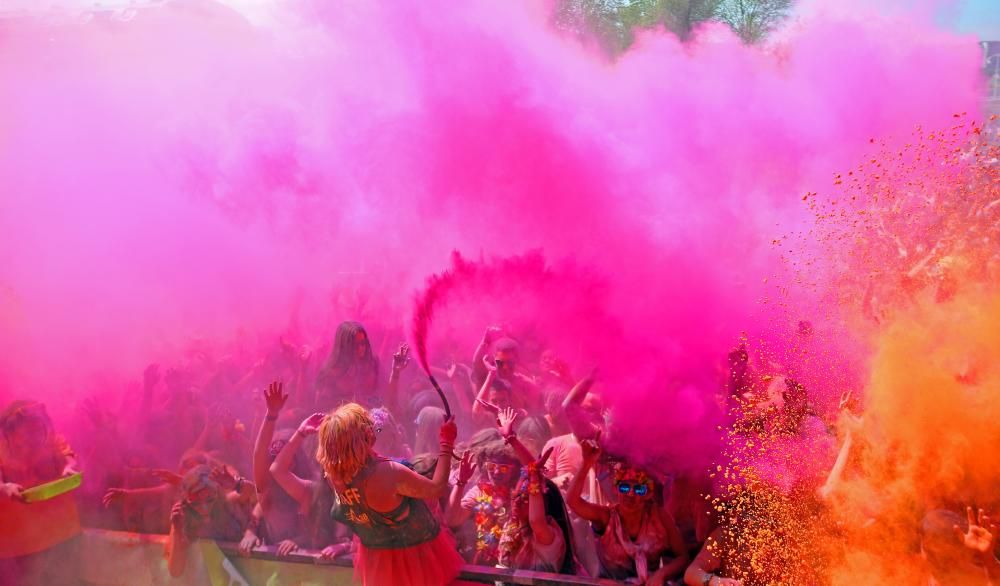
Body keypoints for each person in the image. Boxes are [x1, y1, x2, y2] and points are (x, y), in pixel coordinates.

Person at [314, 403, 463, 585]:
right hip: (412, 561)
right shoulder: (388, 472)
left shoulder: (335, 476)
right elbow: (437, 488)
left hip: (376, 562)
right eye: (368, 427)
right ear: (362, 437)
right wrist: (446, 444)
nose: (372, 430)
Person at [567, 436, 689, 585]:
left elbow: (683, 557)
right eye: (624, 487)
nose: (630, 494)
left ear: (648, 494)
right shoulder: (606, 517)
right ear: (616, 489)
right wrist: (587, 463)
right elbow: (572, 502)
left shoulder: (659, 516)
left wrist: (661, 574)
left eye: (638, 489)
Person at [0, 400, 83, 585]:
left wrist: (69, 468)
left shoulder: (52, 440)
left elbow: (69, 459)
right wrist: (5, 487)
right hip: (15, 546)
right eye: (27, 434)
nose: (35, 438)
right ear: (10, 433)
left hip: (61, 534)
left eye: (38, 430)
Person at [495, 408, 576, 574]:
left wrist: (533, 477)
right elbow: (530, 469)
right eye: (517, 495)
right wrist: (509, 438)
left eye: (526, 498)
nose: (517, 501)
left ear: (542, 504)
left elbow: (536, 520)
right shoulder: (512, 525)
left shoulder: (548, 536)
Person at [446, 439, 522, 566]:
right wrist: (461, 482)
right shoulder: (479, 491)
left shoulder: (520, 493)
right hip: (486, 565)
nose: (496, 472)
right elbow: (453, 520)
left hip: (517, 565)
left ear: (514, 470)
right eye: (491, 466)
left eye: (503, 468)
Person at [165, 465, 249, 577]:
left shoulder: (227, 504)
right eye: (196, 501)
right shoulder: (181, 517)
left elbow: (260, 496)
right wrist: (177, 529)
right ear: (187, 499)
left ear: (217, 492)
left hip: (242, 574)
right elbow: (175, 571)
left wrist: (236, 483)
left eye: (209, 499)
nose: (204, 506)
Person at [315, 321, 380, 407]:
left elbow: (380, 395)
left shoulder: (371, 365)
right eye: (355, 344)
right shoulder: (331, 373)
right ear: (344, 345)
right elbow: (319, 406)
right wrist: (349, 405)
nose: (360, 348)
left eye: (363, 343)